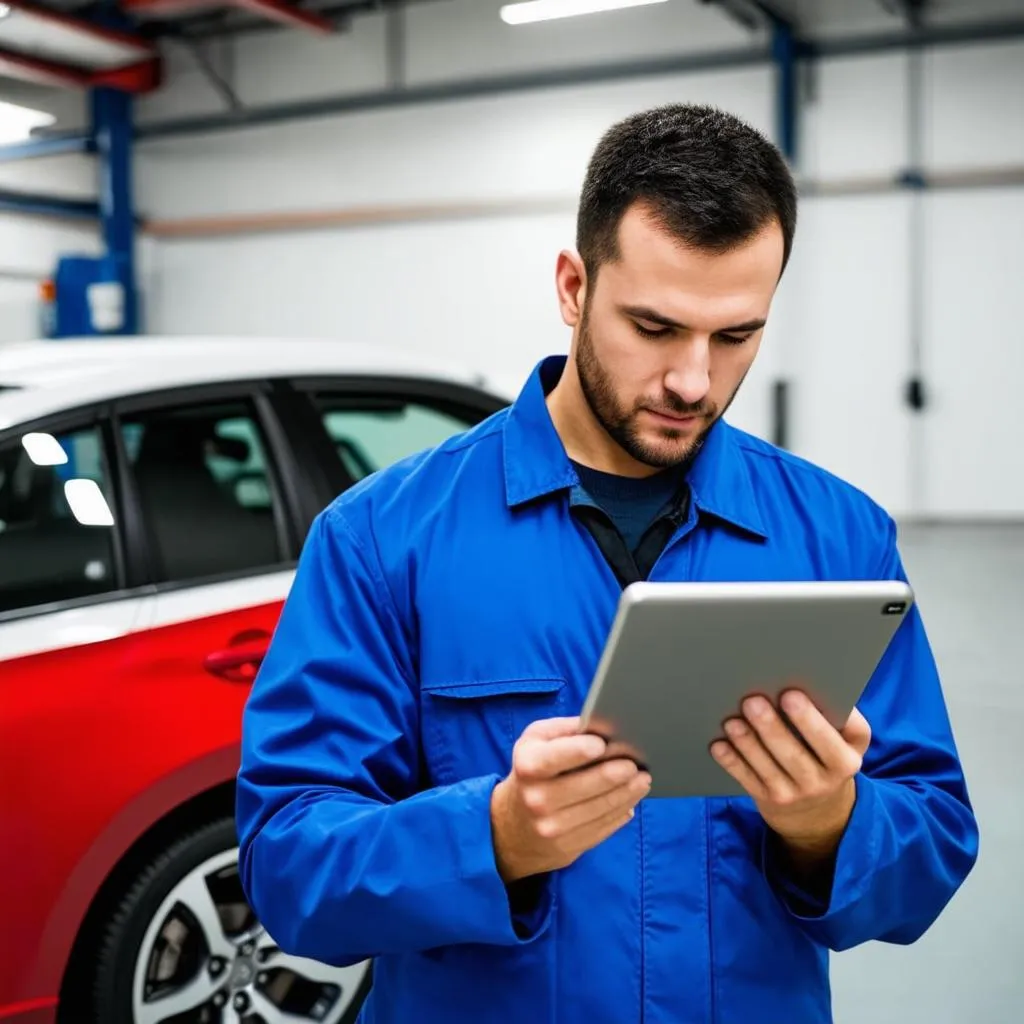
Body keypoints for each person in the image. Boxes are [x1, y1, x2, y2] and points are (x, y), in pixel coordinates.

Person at [236, 103, 979, 1023]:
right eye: (656, 327)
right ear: (573, 287)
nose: (693, 380)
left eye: (736, 335)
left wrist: (832, 823)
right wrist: (494, 836)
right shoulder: (383, 540)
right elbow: (288, 866)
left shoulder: (840, 538)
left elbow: (935, 839)